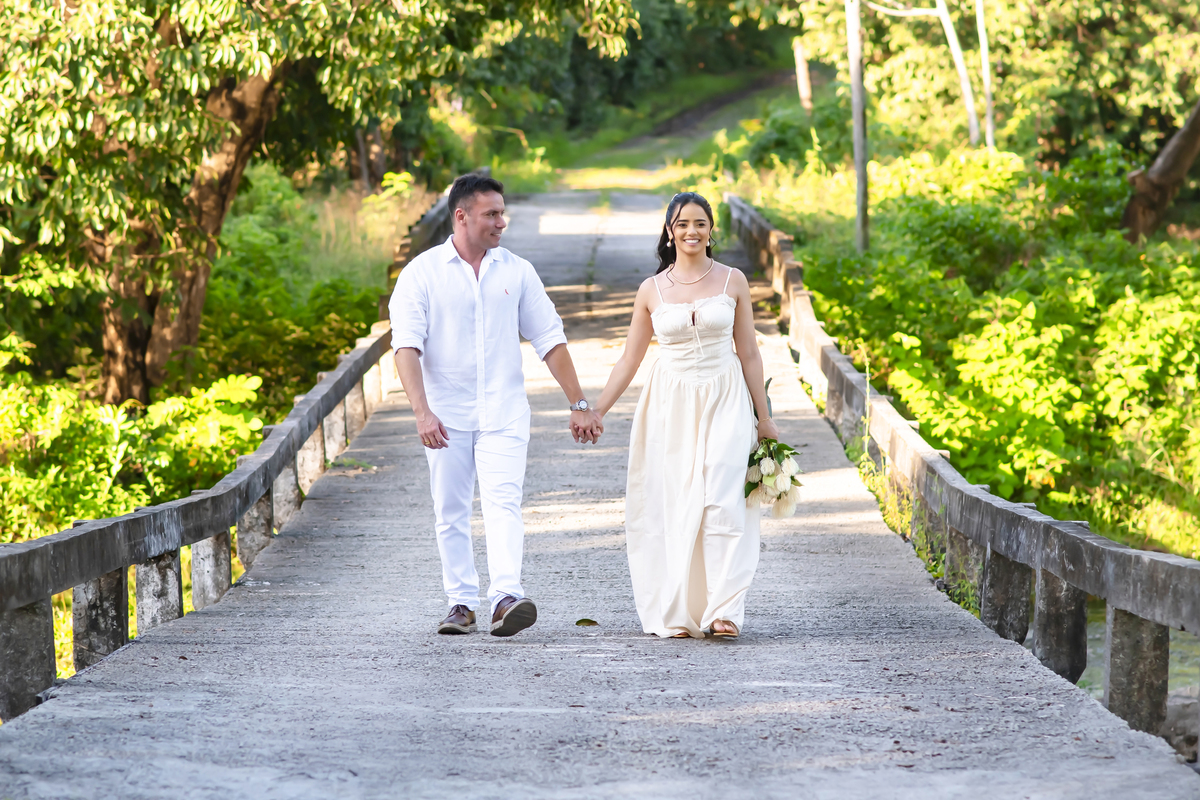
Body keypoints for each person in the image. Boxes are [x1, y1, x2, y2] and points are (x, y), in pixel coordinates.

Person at [389, 173, 604, 637]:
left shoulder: (516, 271)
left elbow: (549, 338)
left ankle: (506, 596)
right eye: (491, 214)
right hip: (446, 416)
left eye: (503, 213)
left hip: (504, 411)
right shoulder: (421, 274)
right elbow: (406, 347)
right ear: (462, 216)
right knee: (450, 509)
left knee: (504, 501)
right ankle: (460, 603)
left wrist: (579, 403)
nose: (501, 222)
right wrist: (422, 413)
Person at [592, 192, 778, 639]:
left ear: (712, 230)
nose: (691, 231)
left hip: (726, 395)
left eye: (699, 223)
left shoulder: (733, 281)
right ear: (669, 232)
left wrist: (764, 417)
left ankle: (725, 610)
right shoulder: (652, 290)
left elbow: (749, 352)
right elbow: (629, 360)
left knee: (724, 500)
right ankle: (676, 609)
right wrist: (594, 409)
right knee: (673, 505)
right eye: (681, 224)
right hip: (670, 403)